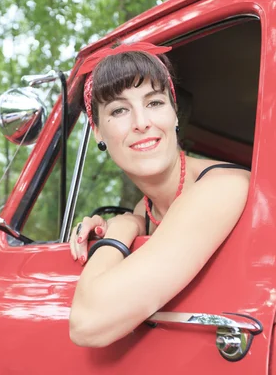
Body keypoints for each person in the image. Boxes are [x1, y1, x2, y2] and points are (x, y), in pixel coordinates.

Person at [67, 41, 251, 348]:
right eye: (120, 110)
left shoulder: (224, 186)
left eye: (154, 103)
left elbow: (88, 323)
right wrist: (129, 221)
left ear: (175, 114)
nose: (142, 123)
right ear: (97, 131)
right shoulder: (146, 208)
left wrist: (119, 233)